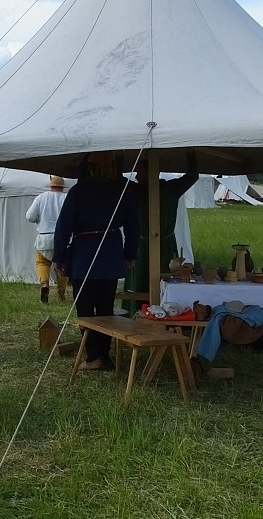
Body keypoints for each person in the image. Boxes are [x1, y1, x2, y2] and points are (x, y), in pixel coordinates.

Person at [53, 153, 140, 371]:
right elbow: (133, 227)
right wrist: (129, 254)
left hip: (84, 255)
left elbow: (63, 226)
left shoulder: (78, 192)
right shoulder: (121, 190)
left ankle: (95, 357)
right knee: (105, 308)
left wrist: (60, 257)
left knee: (85, 309)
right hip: (110, 254)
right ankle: (102, 355)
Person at [123, 153, 198, 311]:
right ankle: (137, 316)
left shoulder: (170, 189)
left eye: (140, 172)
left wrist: (191, 152)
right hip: (141, 247)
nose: (136, 176)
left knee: (167, 282)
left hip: (166, 247)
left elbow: (193, 176)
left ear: (151, 172)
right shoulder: (135, 191)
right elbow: (117, 180)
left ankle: (168, 314)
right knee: (139, 284)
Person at [25, 175, 69, 303]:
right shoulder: (66, 198)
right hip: (62, 238)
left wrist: (40, 219)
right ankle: (61, 294)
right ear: (62, 187)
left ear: (51, 186)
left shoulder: (41, 197)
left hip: (44, 238)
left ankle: (44, 283)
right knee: (62, 266)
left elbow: (30, 217)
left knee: (42, 262)